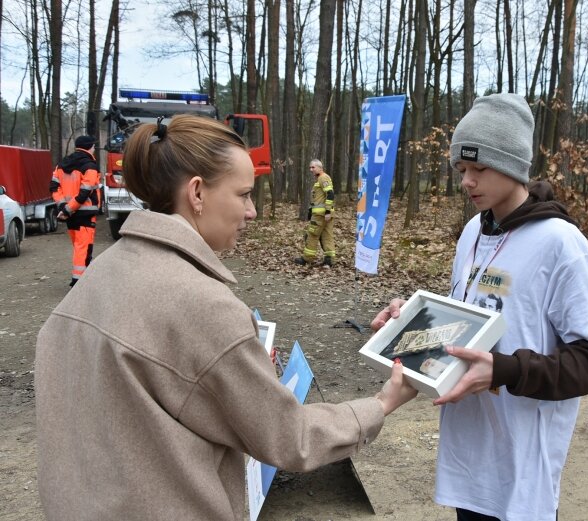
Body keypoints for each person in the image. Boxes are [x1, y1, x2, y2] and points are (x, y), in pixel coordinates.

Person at [35, 115, 418, 520]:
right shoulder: (203, 305)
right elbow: (291, 437)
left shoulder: (101, 274)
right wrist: (383, 402)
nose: (252, 212)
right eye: (244, 194)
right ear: (197, 193)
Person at [371, 93, 588, 521]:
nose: (467, 180)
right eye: (462, 169)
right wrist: (410, 322)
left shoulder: (561, 243)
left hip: (522, 463)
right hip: (470, 452)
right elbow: (469, 318)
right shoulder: (472, 231)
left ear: (514, 165)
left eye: (479, 168)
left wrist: (506, 371)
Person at [50, 134, 101, 286]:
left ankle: (82, 278)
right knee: (83, 247)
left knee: (79, 246)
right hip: (85, 213)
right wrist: (67, 210)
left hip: (70, 214)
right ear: (90, 147)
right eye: (93, 147)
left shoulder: (61, 165)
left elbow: (54, 187)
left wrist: (63, 207)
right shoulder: (90, 166)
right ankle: (78, 282)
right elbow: (85, 192)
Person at [294, 159, 336, 267]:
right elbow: (317, 198)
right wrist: (310, 210)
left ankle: (307, 259)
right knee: (327, 235)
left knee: (312, 235)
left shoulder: (323, 178)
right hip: (323, 214)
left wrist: (326, 211)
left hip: (320, 215)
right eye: (310, 167)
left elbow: (330, 194)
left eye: (313, 167)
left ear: (319, 167)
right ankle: (329, 259)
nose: (311, 169)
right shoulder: (319, 180)